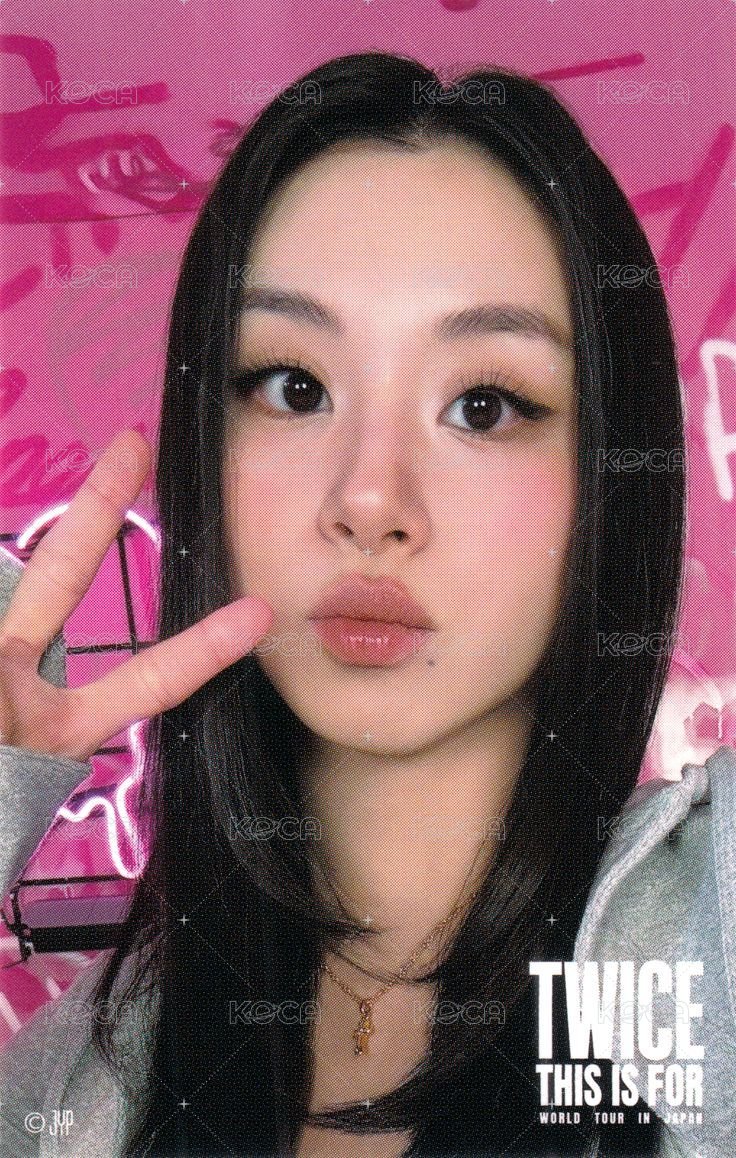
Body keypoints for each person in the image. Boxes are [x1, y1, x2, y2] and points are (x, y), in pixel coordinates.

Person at [0, 49, 734, 1158]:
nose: (369, 500)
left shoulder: (708, 943)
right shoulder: (73, 1083)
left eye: (484, 405)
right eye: (294, 388)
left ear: (608, 474)